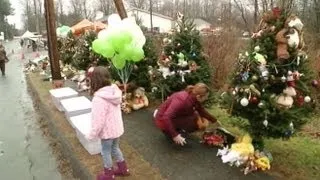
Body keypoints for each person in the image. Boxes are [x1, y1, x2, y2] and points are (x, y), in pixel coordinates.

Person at [86, 66, 130, 180]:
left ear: (94, 81)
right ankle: (123, 169)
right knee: (115, 148)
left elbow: (98, 121)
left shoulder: (99, 99)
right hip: (116, 129)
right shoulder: (114, 92)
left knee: (105, 151)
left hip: (107, 132)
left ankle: (108, 174)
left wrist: (91, 135)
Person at [154, 83, 220, 146]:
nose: (207, 98)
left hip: (175, 117)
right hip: (162, 121)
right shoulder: (182, 100)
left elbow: (201, 111)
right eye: (206, 97)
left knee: (195, 117)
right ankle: (171, 132)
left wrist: (215, 121)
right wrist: (175, 135)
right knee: (194, 119)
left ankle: (177, 130)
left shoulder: (194, 97)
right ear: (199, 96)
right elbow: (166, 117)